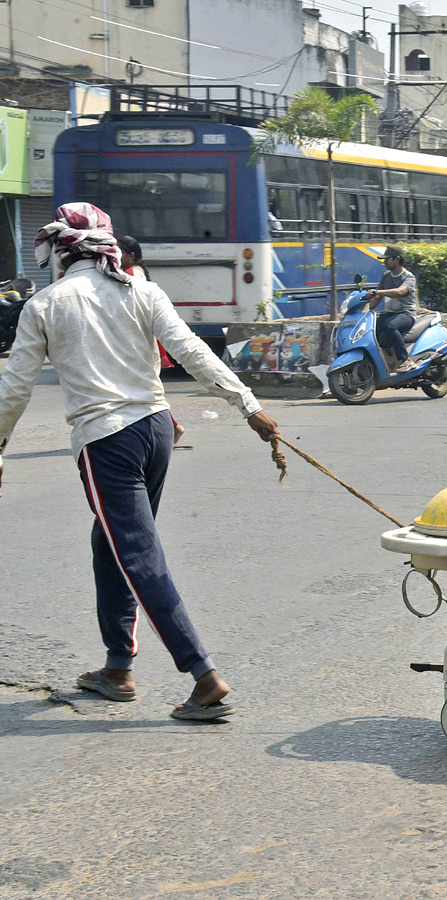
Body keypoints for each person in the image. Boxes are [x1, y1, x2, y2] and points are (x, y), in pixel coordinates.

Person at [0, 203, 281, 721]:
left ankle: (203, 675)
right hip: (156, 431)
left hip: (107, 440)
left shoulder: (46, 304)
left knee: (138, 556)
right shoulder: (142, 290)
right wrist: (249, 405)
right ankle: (117, 667)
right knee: (110, 543)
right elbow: (192, 351)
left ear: (62, 253)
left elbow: (14, 388)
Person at [117, 235, 186, 447]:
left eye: (119, 252)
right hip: (136, 339)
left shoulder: (132, 274)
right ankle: (170, 427)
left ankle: (170, 427)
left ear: (130, 255)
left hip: (140, 341)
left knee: (147, 388)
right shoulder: (131, 273)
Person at [365, 245, 418, 373]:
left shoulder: (408, 277)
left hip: (406, 314)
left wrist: (380, 292)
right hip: (390, 313)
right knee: (369, 329)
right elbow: (377, 298)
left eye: (387, 259)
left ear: (397, 259)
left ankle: (406, 361)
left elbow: (400, 292)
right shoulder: (386, 275)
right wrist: (365, 310)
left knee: (390, 326)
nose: (385, 262)